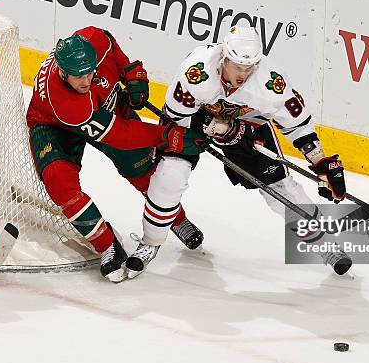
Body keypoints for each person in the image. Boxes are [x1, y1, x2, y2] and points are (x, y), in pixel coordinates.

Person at [126, 25, 347, 278]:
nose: (243, 74)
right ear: (223, 56)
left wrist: (321, 162)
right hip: (193, 121)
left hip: (249, 127)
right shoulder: (197, 72)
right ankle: (150, 243)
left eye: (249, 67)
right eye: (237, 66)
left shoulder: (270, 82)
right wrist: (205, 129)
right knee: (170, 177)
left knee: (282, 189)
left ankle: (324, 245)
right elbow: (177, 117)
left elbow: (297, 123)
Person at [26, 27, 206, 282]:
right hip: (53, 125)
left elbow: (109, 41)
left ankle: (176, 220)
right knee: (60, 184)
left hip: (103, 108)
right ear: (63, 73)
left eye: (90, 73)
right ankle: (106, 245)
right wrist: (165, 136)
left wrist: (130, 73)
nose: (86, 81)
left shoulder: (94, 39)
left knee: (145, 173)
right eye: (78, 77)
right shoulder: (67, 104)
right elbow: (120, 135)